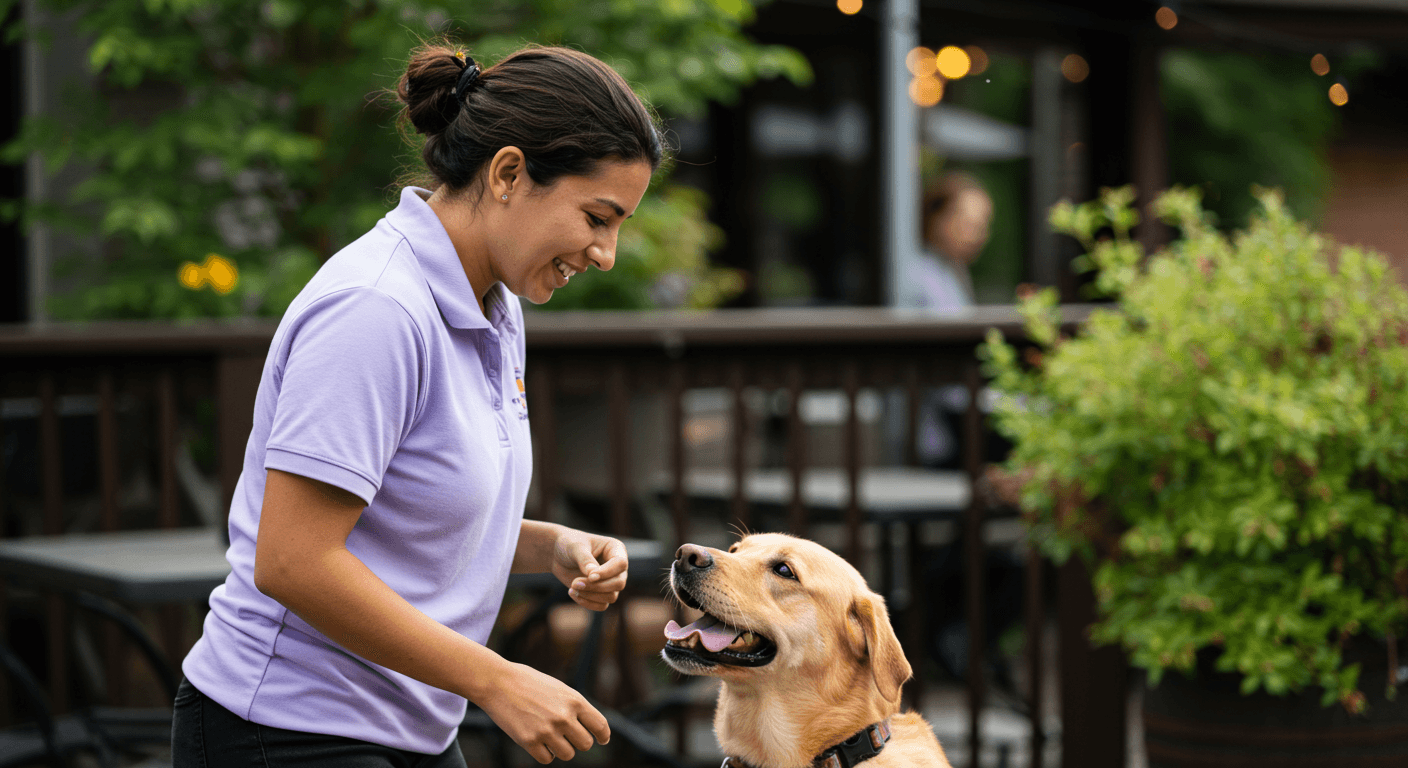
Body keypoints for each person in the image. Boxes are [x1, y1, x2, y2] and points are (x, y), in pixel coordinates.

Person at [172, 42, 664, 767]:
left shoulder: (494, 304)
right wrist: (497, 681)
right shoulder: (375, 310)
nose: (606, 252)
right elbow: (293, 559)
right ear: (507, 173)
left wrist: (546, 544)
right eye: (597, 217)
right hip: (282, 731)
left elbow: (405, 507)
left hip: (409, 726)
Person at [897, 171, 994, 311]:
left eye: (982, 226)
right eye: (968, 224)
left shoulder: (953, 270)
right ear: (937, 218)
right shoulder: (913, 273)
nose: (978, 236)